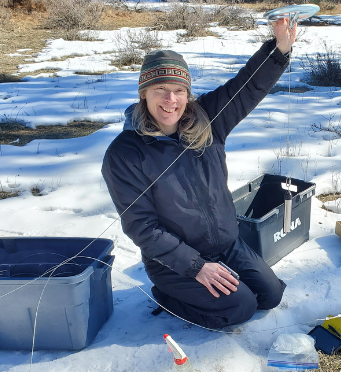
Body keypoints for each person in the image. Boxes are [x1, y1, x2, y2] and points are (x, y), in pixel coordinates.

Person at [101, 19, 297, 329]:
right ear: (144, 93)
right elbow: (143, 228)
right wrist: (196, 267)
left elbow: (246, 88)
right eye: (160, 90)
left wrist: (280, 49)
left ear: (188, 93)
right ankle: (166, 296)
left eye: (179, 90)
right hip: (174, 262)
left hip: (227, 245)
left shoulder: (207, 119)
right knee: (241, 307)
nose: (171, 100)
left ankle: (218, 280)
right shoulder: (124, 154)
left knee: (270, 295)